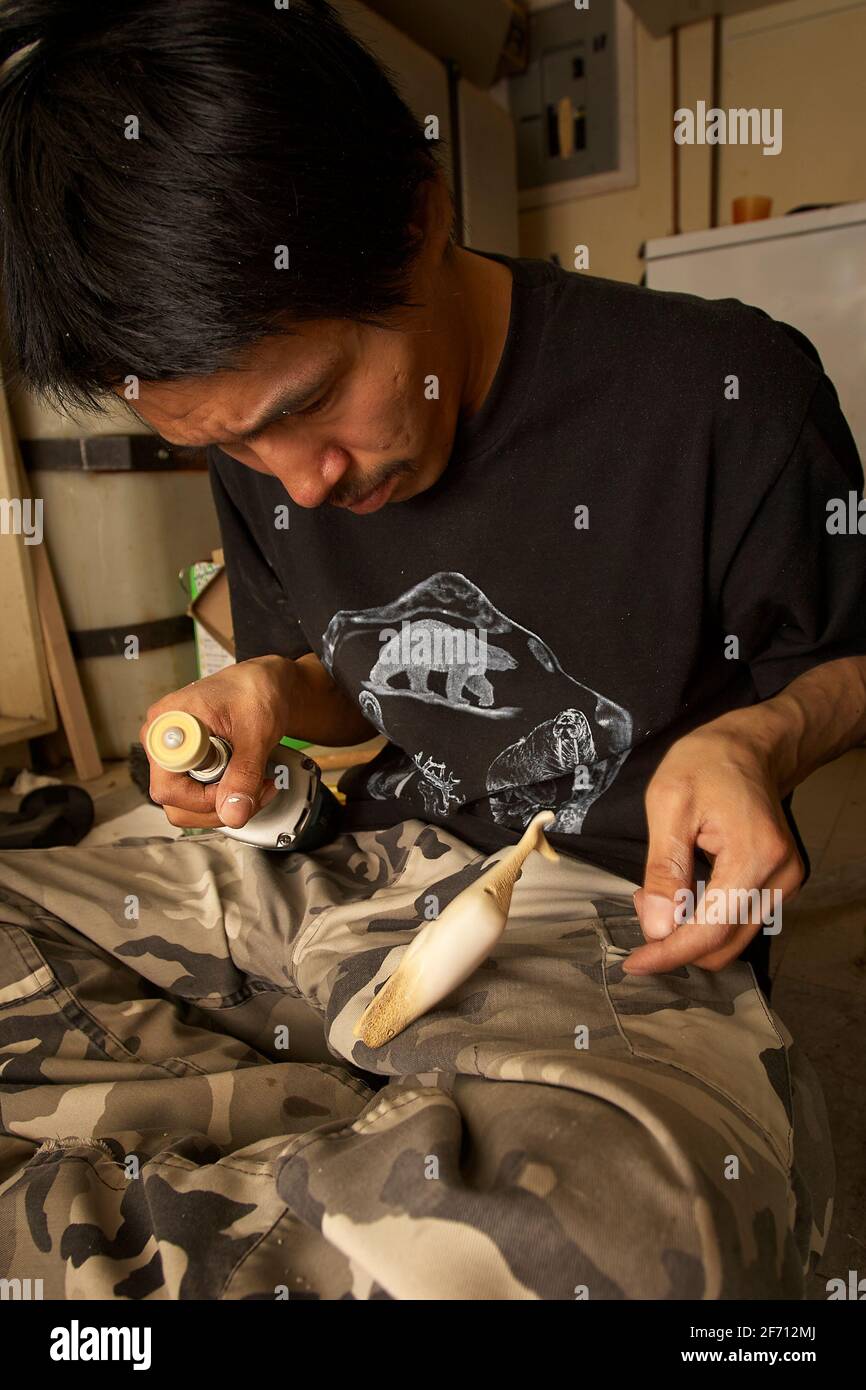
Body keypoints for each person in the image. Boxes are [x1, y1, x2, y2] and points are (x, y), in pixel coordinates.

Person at [0, 0, 861, 1300]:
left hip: (597, 916)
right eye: (232, 446)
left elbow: (844, 653)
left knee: (606, 1234)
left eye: (308, 405)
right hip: (336, 863)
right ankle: (317, 1117)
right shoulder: (268, 451)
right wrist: (264, 690)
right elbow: (347, 682)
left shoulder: (726, 393)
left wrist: (756, 735)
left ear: (422, 210)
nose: (304, 476)